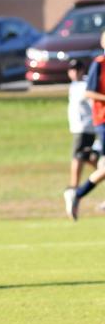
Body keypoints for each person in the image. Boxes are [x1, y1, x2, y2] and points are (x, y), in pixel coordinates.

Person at [66, 31, 105, 220]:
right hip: (103, 121)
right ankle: (78, 194)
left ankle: (78, 194)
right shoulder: (99, 64)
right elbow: (89, 93)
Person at [65, 59, 99, 190]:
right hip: (78, 126)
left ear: (82, 70)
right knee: (86, 156)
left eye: (76, 70)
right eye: (71, 70)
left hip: (85, 126)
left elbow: (93, 102)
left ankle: (74, 186)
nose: (73, 73)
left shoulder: (85, 84)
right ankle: (100, 167)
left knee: (77, 156)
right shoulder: (74, 85)